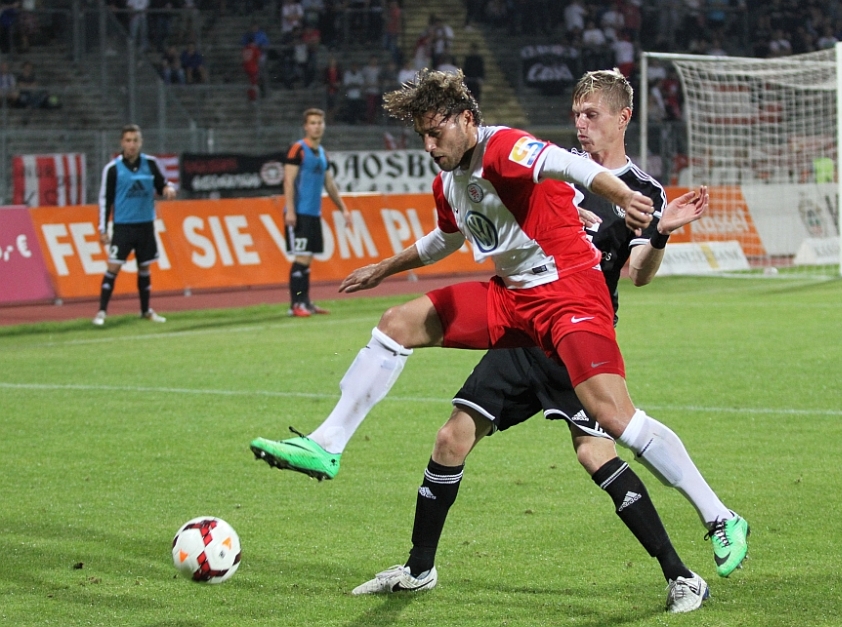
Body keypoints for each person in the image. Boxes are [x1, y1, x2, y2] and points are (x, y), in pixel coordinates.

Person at [250, 69, 748, 606]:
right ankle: (327, 445)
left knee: (614, 422)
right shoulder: (449, 180)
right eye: (422, 135)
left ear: (467, 119)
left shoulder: (505, 147)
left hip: (570, 295)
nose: (429, 145)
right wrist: (384, 268)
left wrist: (624, 195)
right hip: (512, 299)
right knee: (397, 325)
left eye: (436, 132)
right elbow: (445, 239)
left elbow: (572, 167)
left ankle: (720, 517)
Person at [93, 124, 176, 327]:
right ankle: (101, 311)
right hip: (123, 227)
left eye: (135, 140)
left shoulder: (151, 164)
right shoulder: (113, 169)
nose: (132, 145)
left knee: (144, 267)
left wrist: (168, 189)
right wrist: (103, 229)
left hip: (145, 225)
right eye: (128, 141)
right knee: (113, 267)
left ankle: (146, 310)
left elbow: (162, 184)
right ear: (122, 143)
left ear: (141, 142)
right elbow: (105, 200)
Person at [283, 108, 351, 317]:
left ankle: (305, 302)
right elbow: (288, 181)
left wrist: (343, 208)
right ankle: (296, 304)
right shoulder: (298, 149)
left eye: (320, 123)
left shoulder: (322, 153)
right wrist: (291, 211)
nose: (317, 126)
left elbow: (329, 185)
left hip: (314, 213)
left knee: (308, 259)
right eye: (312, 123)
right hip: (299, 213)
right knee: (301, 258)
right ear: (305, 126)